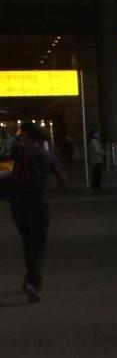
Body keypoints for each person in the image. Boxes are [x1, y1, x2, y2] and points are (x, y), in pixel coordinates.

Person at [9, 122, 67, 302]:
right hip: (38, 205)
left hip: (18, 205)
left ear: (26, 135)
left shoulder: (17, 153)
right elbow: (63, 180)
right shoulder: (46, 155)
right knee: (38, 244)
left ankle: (29, 279)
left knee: (27, 242)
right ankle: (33, 283)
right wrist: (52, 194)